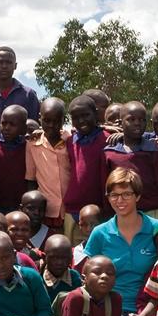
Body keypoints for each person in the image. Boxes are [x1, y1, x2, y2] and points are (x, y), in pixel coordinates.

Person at [82, 168, 158, 316]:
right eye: (114, 195)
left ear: (138, 196)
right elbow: (86, 277)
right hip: (106, 309)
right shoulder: (100, 233)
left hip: (143, 313)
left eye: (126, 194)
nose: (120, 200)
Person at [105, 101, 158, 215]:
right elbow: (106, 189)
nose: (137, 123)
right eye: (131, 120)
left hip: (152, 214)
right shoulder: (110, 153)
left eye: (142, 120)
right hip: (121, 214)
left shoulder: (154, 150)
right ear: (121, 122)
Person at [63, 96, 108, 238]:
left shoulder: (107, 139)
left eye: (85, 115)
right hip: (73, 211)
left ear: (95, 114)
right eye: (76, 117)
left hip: (98, 213)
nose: (81, 121)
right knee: (73, 256)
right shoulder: (70, 142)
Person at [25, 97, 70, 234]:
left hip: (70, 209)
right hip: (46, 210)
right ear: (40, 118)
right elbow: (31, 179)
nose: (51, 125)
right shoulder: (32, 144)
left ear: (64, 120)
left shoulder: (72, 141)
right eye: (47, 120)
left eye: (56, 121)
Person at [0, 104, 29, 213]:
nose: (7, 128)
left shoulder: (28, 147)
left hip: (20, 207)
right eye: (3, 123)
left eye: (12, 124)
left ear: (23, 128)